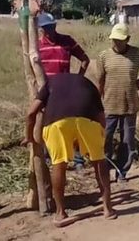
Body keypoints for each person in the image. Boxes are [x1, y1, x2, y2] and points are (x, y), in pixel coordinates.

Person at [21, 73, 117, 227]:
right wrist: (99, 141)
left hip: (57, 123)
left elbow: (31, 113)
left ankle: (60, 213)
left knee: (59, 164)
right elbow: (101, 117)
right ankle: (108, 209)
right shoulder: (88, 83)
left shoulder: (50, 83)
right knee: (99, 161)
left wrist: (29, 136)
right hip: (88, 120)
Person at [98, 23, 139, 181]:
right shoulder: (104, 56)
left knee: (127, 140)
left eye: (120, 40)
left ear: (128, 39)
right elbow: (100, 80)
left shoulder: (137, 54)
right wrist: (98, 100)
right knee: (105, 139)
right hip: (110, 105)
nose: (116, 43)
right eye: (114, 40)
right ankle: (105, 171)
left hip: (130, 105)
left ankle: (122, 172)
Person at [37, 12, 90, 169]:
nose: (49, 30)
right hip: (47, 90)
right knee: (48, 124)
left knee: (72, 123)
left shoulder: (67, 41)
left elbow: (85, 59)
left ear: (55, 26)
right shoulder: (37, 46)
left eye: (51, 27)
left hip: (66, 90)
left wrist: (78, 80)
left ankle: (78, 159)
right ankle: (50, 156)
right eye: (45, 28)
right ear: (41, 29)